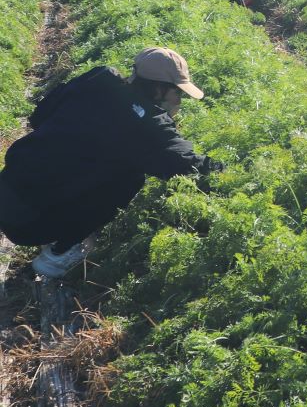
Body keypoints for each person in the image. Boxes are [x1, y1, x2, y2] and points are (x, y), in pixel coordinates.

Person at [0, 48, 220, 278]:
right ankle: (59, 254)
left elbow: (39, 116)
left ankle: (54, 222)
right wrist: (224, 170)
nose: (179, 101)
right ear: (159, 89)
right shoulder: (151, 126)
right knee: (129, 178)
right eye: (179, 93)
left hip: (6, 189)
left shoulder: (99, 79)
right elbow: (185, 163)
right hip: (30, 226)